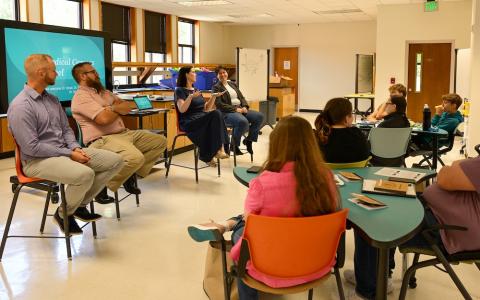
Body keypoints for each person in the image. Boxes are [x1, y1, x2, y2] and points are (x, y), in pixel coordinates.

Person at [187, 116, 339, 300]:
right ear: (310, 143)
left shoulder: (262, 184)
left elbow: (251, 223)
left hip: (268, 267)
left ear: (276, 144)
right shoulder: (327, 178)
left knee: (242, 232)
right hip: (315, 264)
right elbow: (331, 211)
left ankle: (224, 225)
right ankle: (226, 223)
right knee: (256, 221)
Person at [7, 54, 124, 235]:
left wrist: (75, 147)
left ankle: (77, 206)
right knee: (85, 174)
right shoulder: (21, 106)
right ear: (41, 73)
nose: (57, 74)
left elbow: (66, 129)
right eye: (53, 70)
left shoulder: (52, 99)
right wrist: (69, 154)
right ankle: (63, 214)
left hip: (65, 151)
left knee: (115, 161)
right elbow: (32, 147)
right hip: (37, 161)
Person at [346, 157, 480, 300]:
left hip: (443, 229)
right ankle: (378, 276)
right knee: (389, 204)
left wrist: (458, 164)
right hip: (446, 221)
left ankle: (367, 291)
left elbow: (445, 177)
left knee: (370, 219)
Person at [71, 62, 167, 200]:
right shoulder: (81, 97)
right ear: (82, 76)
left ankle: (128, 174)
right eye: (93, 71)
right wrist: (115, 107)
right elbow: (103, 120)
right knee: (135, 158)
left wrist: (110, 108)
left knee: (159, 142)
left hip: (124, 133)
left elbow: (127, 106)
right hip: (104, 139)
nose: (97, 74)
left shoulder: (104, 92)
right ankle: (101, 184)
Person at [174, 66, 229, 166]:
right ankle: (217, 150)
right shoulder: (180, 90)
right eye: (193, 72)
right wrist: (190, 97)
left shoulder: (196, 90)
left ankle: (209, 153)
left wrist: (213, 97)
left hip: (200, 118)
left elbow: (206, 109)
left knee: (216, 113)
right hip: (188, 121)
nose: (196, 74)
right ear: (186, 74)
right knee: (216, 114)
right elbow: (182, 109)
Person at [212, 66, 264, 155]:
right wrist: (236, 109)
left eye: (224, 72)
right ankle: (234, 145)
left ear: (227, 73)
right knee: (242, 122)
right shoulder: (216, 88)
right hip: (227, 112)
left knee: (259, 117)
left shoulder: (233, 84)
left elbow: (241, 97)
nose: (223, 75)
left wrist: (245, 107)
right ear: (217, 76)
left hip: (240, 108)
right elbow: (220, 105)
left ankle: (249, 140)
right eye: (220, 73)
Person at [315, 98, 370, 163]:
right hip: (357, 172)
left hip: (327, 172)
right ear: (346, 118)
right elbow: (365, 155)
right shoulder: (357, 134)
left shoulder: (321, 135)